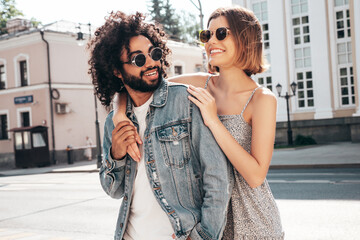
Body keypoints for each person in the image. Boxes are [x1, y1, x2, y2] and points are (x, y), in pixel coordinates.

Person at [113, 6, 284, 240]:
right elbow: (136, 87)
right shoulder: (200, 84)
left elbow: (255, 176)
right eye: (207, 35)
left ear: (245, 38)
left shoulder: (261, 99)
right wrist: (119, 115)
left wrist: (213, 121)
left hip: (253, 221)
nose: (211, 41)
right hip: (208, 220)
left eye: (221, 33)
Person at [88, 11, 232, 240]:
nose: (152, 62)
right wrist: (116, 154)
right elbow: (114, 191)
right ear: (117, 70)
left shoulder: (187, 102)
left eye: (154, 53)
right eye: (138, 59)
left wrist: (204, 236)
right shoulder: (113, 123)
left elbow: (217, 178)